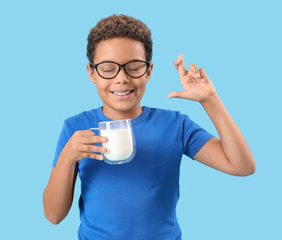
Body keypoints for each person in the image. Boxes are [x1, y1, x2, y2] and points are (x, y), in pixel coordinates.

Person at [43, 14, 256, 240]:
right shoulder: (75, 129)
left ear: (149, 71)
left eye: (134, 67)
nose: (122, 78)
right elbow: (53, 215)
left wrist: (210, 100)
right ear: (92, 73)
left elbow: (242, 166)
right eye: (107, 68)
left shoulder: (175, 125)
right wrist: (67, 157)